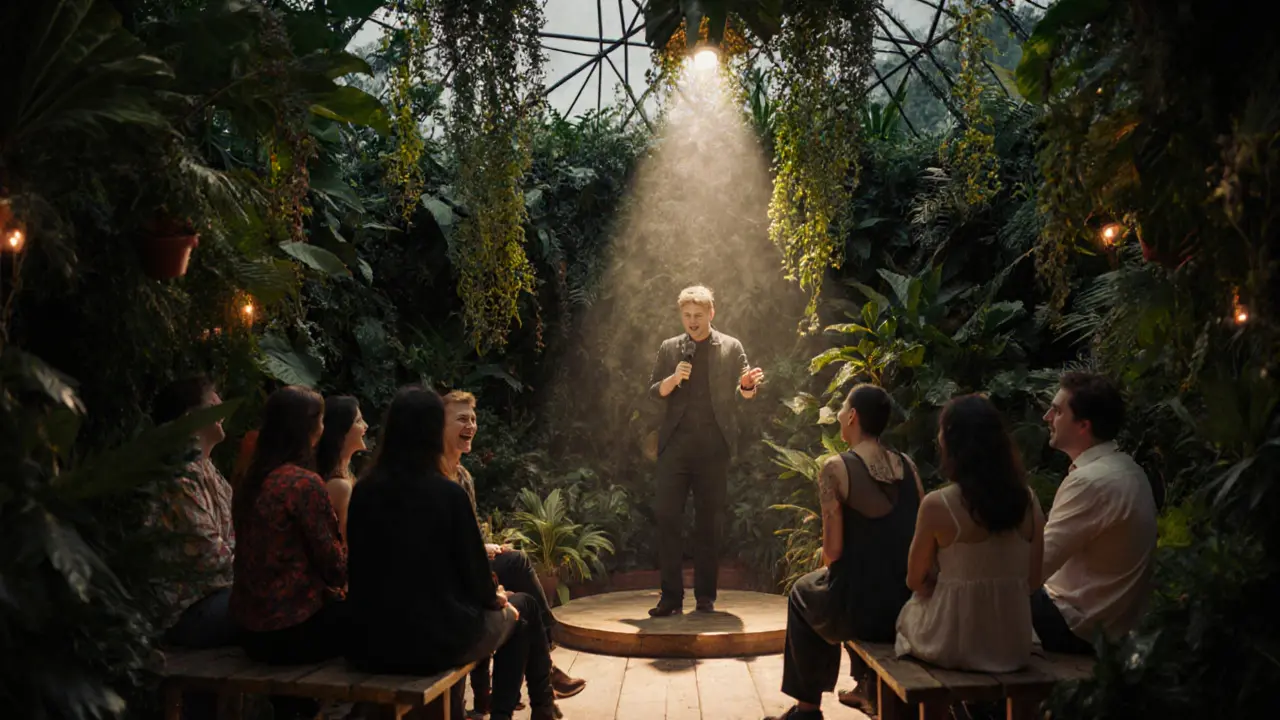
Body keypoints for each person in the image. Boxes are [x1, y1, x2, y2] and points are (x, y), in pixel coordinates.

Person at [345, 387, 560, 720]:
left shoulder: (363, 491)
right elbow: (475, 577)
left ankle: (528, 704)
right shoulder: (446, 492)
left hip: (368, 643)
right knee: (523, 607)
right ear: (434, 431)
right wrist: (496, 597)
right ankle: (521, 711)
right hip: (433, 642)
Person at [767, 384, 922, 720]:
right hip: (908, 602)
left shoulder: (834, 469)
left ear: (852, 416)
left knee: (804, 593)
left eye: (841, 408)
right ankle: (863, 683)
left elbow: (833, 552)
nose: (837, 414)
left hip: (862, 608)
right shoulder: (909, 466)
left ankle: (807, 709)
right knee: (837, 588)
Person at [440, 390, 587, 711]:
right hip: (454, 577)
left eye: (474, 419)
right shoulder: (435, 477)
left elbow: (467, 533)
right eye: (462, 419)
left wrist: (484, 547)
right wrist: (480, 551)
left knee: (515, 562)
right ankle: (544, 663)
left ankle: (505, 685)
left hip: (469, 563)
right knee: (518, 571)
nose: (471, 425)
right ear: (439, 426)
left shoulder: (463, 476)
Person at [895, 395, 1045, 672]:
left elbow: (914, 580)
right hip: (1013, 645)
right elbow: (1034, 581)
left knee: (908, 615)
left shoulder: (939, 504)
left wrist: (947, 585)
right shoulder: (1029, 501)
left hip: (953, 642)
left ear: (950, 442)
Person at [230, 385, 347, 719]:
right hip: (294, 632)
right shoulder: (303, 484)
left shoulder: (249, 480)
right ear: (311, 428)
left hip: (249, 632)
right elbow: (335, 567)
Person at [647, 285, 765, 616]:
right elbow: (654, 390)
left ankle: (705, 597)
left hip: (713, 447)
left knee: (708, 523)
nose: (692, 321)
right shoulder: (670, 348)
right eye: (687, 316)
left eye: (698, 315)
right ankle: (670, 597)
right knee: (668, 517)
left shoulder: (730, 346)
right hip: (675, 447)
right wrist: (672, 379)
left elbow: (747, 388)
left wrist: (747, 386)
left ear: (711, 313)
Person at [1035, 372, 1157, 653]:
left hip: (1079, 627)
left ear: (1083, 426)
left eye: (1057, 410)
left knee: (980, 588)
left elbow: (1034, 569)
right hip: (1110, 626)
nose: (1046, 417)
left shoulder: (1090, 481)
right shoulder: (1129, 469)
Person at [151, 375, 237, 650]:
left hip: (220, 595)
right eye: (214, 403)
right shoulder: (178, 474)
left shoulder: (209, 471)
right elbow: (209, 552)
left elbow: (238, 534)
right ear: (191, 417)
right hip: (188, 611)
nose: (223, 406)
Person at [316, 395, 368, 545]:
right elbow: (347, 542)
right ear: (341, 432)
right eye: (358, 421)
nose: (365, 426)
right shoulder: (339, 485)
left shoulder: (344, 474)